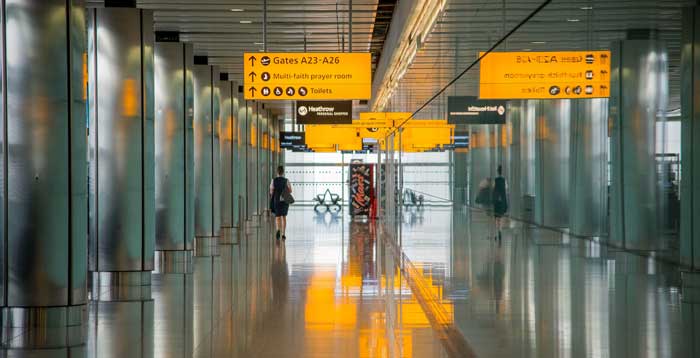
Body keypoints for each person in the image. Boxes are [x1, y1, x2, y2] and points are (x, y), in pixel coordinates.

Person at [270, 166, 292, 240]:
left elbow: (271, 191)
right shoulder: (286, 180)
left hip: (276, 200)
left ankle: (278, 230)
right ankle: (283, 234)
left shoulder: (273, 180)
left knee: (277, 217)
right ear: (283, 172)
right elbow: (290, 190)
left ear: (277, 172)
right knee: (284, 217)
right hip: (284, 200)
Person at [492, 165, 508, 241]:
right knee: (501, 218)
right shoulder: (504, 180)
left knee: (496, 218)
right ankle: (500, 231)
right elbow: (506, 190)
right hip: (502, 201)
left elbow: (493, 189)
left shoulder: (495, 180)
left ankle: (496, 233)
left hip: (496, 201)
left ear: (497, 171)